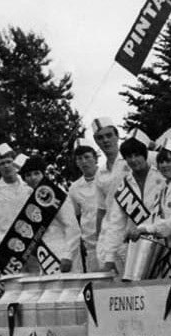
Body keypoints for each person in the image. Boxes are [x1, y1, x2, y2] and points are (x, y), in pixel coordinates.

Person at [98, 129, 165, 275]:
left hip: (165, 244)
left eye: (137, 155)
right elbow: (115, 223)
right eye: (129, 157)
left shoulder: (162, 178)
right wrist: (109, 259)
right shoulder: (124, 186)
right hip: (137, 249)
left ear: (145, 155)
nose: (134, 160)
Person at [135, 139, 171, 282]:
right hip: (165, 249)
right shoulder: (163, 187)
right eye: (161, 162)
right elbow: (155, 217)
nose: (164, 165)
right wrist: (139, 229)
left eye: (169, 161)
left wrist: (148, 229)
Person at [21, 156, 79, 273]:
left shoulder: (56, 195)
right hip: (43, 255)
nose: (33, 178)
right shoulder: (28, 199)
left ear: (43, 174)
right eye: (28, 175)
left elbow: (72, 227)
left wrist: (67, 256)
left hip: (62, 252)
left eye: (36, 173)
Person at [91, 117, 128, 242]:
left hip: (137, 227)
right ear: (96, 142)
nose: (105, 140)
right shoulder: (100, 173)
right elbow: (102, 209)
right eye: (100, 138)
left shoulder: (132, 159)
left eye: (109, 135)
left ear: (117, 136)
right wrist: (99, 238)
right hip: (115, 233)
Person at [68, 141, 100, 272]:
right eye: (80, 159)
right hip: (92, 246)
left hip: (115, 241)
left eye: (87, 157)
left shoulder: (108, 177)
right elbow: (75, 216)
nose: (84, 161)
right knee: (98, 287)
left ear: (95, 158)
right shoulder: (74, 188)